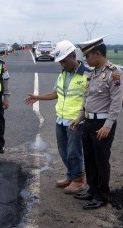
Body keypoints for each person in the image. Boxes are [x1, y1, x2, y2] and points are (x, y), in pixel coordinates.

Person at [24, 40, 90, 194]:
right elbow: (56, 93)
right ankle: (71, 175)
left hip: (76, 121)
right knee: (63, 150)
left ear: (73, 57)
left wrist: (83, 117)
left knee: (74, 151)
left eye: (64, 61)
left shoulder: (87, 74)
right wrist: (38, 97)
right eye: (60, 62)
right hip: (60, 119)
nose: (62, 64)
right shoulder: (63, 74)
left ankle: (78, 180)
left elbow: (91, 99)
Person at [70, 36, 123, 209]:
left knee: (101, 160)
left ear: (98, 53)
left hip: (102, 125)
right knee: (90, 158)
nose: (85, 59)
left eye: (87, 56)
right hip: (88, 122)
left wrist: (108, 125)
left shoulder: (113, 73)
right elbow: (87, 98)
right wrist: (79, 117)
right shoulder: (92, 73)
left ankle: (102, 195)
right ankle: (92, 190)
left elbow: (116, 102)